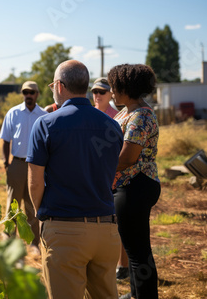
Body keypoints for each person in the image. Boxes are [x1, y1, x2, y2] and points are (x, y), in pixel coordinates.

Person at [27, 60, 123, 299]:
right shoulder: (112, 125)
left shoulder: (46, 124)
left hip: (64, 229)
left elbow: (35, 182)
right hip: (106, 230)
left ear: (59, 86)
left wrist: (44, 217)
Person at [107, 64, 161, 299]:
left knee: (138, 252)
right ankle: (135, 294)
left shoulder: (141, 115)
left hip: (135, 185)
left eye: (114, 86)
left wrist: (100, 171)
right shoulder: (127, 112)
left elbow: (128, 157)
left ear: (126, 87)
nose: (111, 91)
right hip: (130, 185)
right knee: (135, 249)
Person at [0, 81, 47, 250]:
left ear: (37, 94)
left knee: (32, 205)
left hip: (36, 166)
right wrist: (6, 163)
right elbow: (5, 140)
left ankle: (34, 244)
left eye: (32, 92)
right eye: (25, 92)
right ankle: (10, 241)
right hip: (17, 164)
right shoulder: (13, 113)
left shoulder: (43, 115)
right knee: (13, 204)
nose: (28, 95)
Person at [92, 77, 128, 279]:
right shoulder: (89, 113)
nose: (97, 95)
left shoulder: (118, 117)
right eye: (94, 91)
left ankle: (122, 266)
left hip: (113, 176)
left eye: (102, 91)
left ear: (110, 94)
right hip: (93, 175)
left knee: (118, 223)